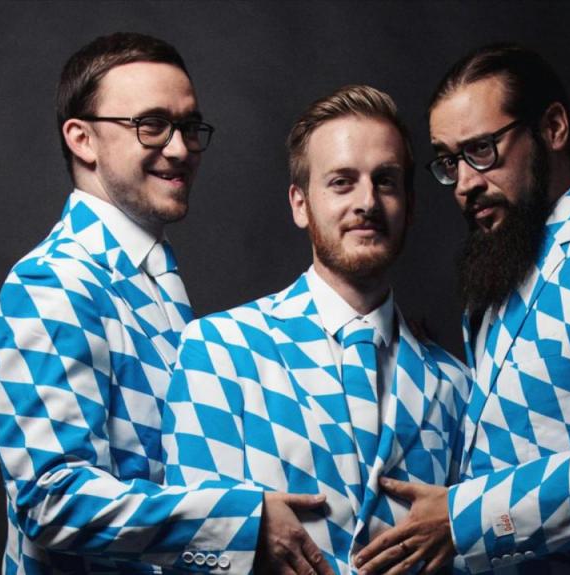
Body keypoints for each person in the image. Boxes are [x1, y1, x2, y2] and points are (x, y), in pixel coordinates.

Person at [356, 43, 570, 574]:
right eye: (450, 162)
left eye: (482, 150)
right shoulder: (505, 276)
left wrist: (465, 518)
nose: (466, 184)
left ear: (553, 129)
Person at [0, 32, 268, 574]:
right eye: (152, 125)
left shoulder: (151, 279)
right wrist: (244, 522)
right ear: (82, 139)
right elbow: (50, 497)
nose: (180, 149)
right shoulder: (55, 282)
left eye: (189, 127)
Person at [162, 85, 469, 575]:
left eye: (385, 181)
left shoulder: (455, 385)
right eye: (342, 182)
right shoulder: (219, 351)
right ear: (300, 204)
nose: (367, 201)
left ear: (410, 206)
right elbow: (192, 552)